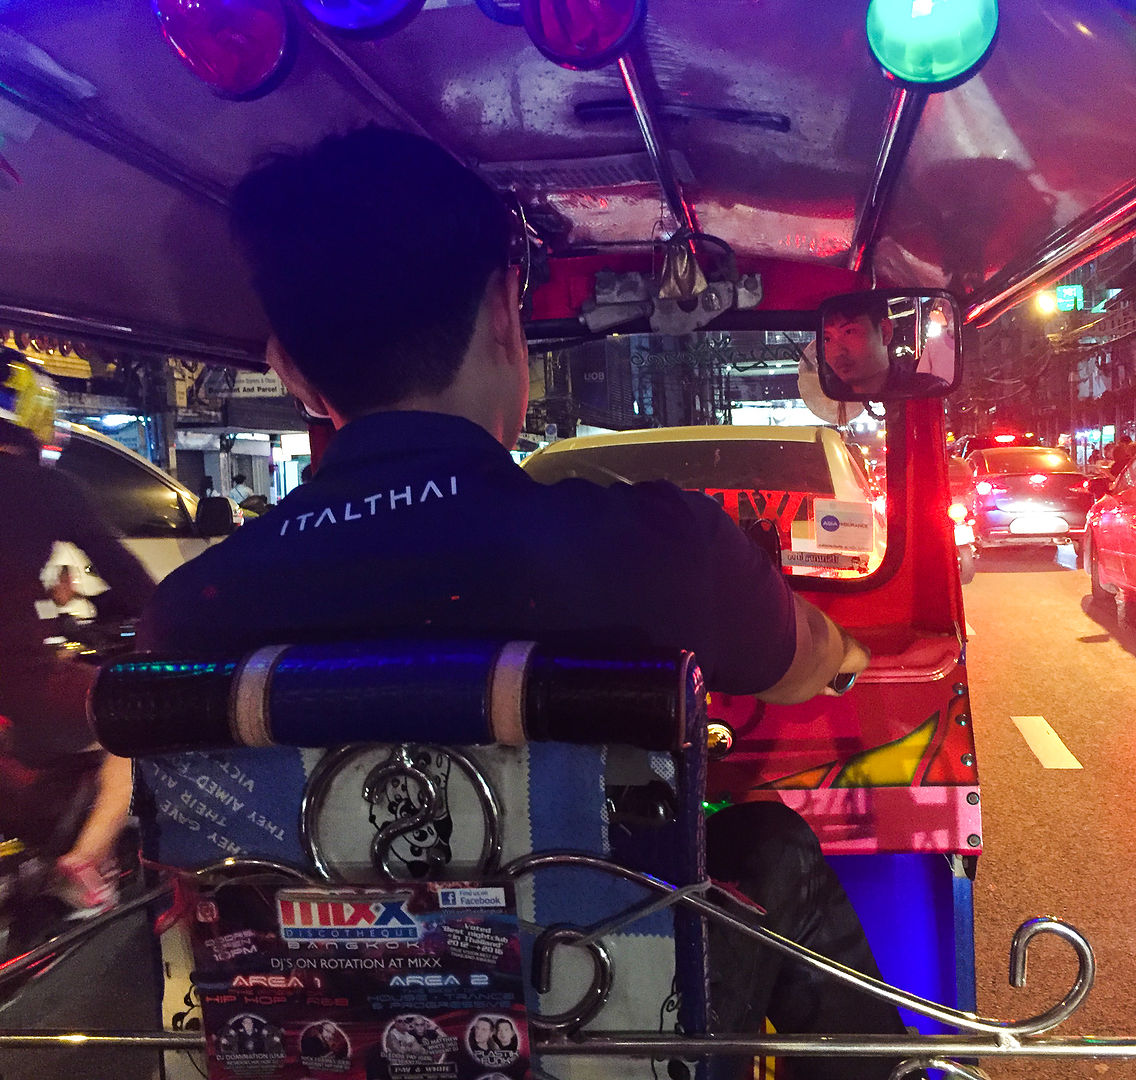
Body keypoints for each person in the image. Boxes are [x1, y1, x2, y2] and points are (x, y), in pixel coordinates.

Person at [136, 126, 905, 1078]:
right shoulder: (652, 553)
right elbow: (804, 665)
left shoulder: (186, 616)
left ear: (288, 365)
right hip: (607, 1036)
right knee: (765, 839)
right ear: (507, 312)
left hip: (304, 1048)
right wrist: (846, 658)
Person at [0, 351, 155, 910]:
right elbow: (125, 574)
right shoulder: (46, 488)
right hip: (19, 676)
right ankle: (84, 863)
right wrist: (167, 618)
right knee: (131, 721)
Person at [820, 293, 948, 398]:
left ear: (885, 332)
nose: (838, 352)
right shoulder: (825, 395)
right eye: (827, 339)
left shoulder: (928, 392)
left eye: (849, 332)